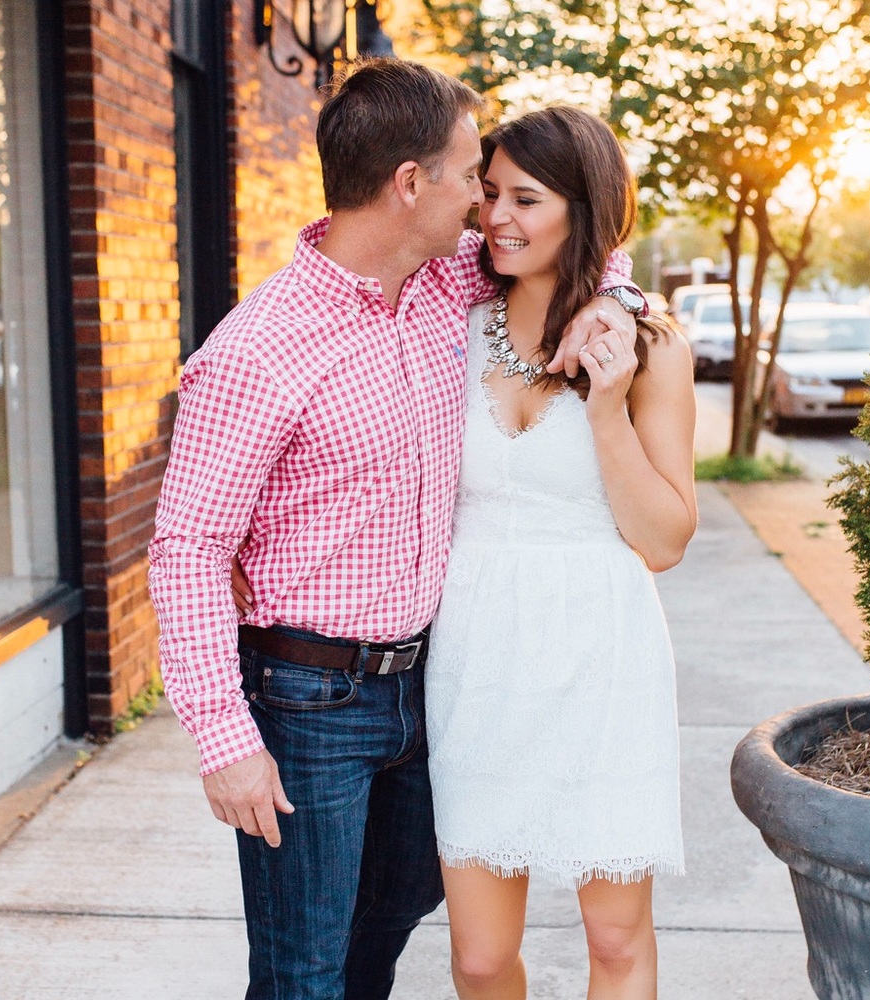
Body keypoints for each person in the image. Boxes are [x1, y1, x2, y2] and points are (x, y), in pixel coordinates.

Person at [148, 59, 645, 1000]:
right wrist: (225, 738)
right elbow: (188, 551)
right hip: (307, 701)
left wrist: (613, 300)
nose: (484, 205)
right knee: (306, 970)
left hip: (430, 685)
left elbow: (577, 243)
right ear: (410, 184)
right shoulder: (256, 350)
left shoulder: (444, 284)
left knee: (393, 922)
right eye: (470, 178)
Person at [424, 108, 696, 999]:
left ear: (586, 208)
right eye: (489, 193)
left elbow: (662, 541)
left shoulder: (649, 345)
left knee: (616, 942)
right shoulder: (449, 326)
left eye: (526, 198)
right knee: (478, 955)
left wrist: (608, 407)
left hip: (602, 651)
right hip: (476, 651)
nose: (497, 216)